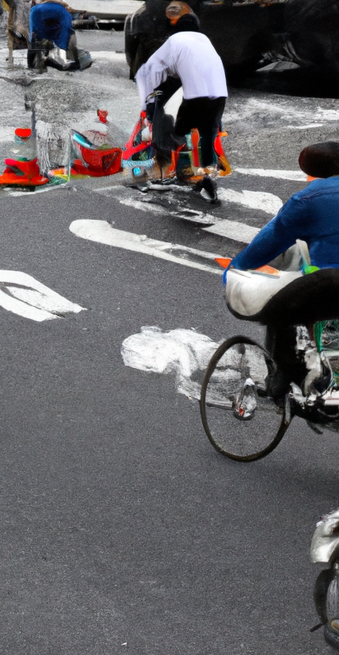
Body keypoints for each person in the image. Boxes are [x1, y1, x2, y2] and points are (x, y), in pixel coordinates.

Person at [224, 141, 339, 397]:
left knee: (278, 312)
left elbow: (266, 246)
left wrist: (235, 270)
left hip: (331, 281)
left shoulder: (308, 200)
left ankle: (288, 376)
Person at [135, 11, 227, 201]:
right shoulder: (205, 40)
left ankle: (162, 171)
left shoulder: (174, 40)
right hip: (219, 94)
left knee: (171, 130)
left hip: (195, 97)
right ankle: (207, 176)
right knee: (207, 135)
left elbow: (151, 71)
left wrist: (149, 106)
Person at [27, 0, 92, 72]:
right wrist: (63, 46)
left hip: (37, 12)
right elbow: (66, 32)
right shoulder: (64, 11)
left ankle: (32, 65)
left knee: (35, 40)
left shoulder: (37, 8)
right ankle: (49, 62)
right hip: (59, 14)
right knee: (72, 56)